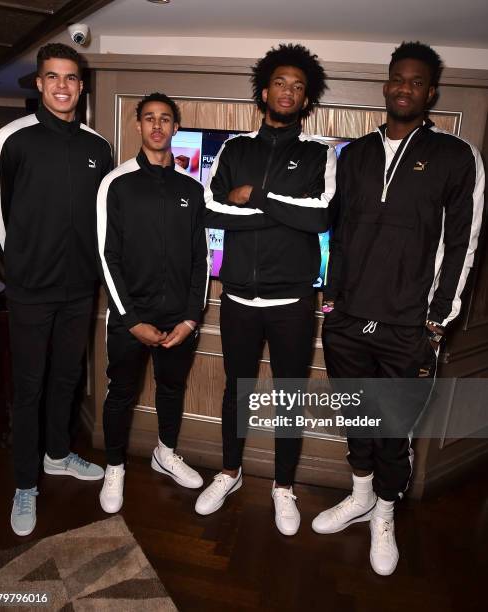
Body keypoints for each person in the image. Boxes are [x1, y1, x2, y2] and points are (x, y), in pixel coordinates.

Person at [314, 42, 485, 575]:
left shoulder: (457, 157)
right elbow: (339, 234)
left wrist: (438, 318)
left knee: (393, 429)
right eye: (397, 79)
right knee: (354, 416)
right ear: (386, 85)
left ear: (430, 92)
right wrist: (333, 293)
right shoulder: (354, 153)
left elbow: (464, 242)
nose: (404, 88)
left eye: (416, 82)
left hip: (409, 325)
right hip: (348, 320)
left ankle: (384, 513)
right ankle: (361, 494)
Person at [196, 44, 336, 536]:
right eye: (281, 82)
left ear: (307, 98)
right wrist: (282, 213)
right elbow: (211, 211)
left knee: (289, 397)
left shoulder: (320, 154)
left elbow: (319, 217)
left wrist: (255, 198)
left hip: (293, 302)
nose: (288, 91)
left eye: (298, 86)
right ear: (264, 91)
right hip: (236, 297)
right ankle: (230, 472)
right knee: (237, 390)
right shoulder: (234, 149)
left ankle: (282, 487)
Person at [0, 43, 113, 536]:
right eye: (53, 77)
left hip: (79, 289)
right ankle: (24, 483)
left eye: (71, 78)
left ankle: (58, 455)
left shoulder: (97, 147)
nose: (62, 85)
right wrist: (17, 268)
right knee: (30, 387)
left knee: (66, 379)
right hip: (30, 290)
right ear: (38, 83)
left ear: (81, 86)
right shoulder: (11, 139)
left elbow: (102, 220)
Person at [96, 93, 208, 513]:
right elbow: (107, 256)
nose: (157, 126)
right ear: (138, 126)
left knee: (172, 389)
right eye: (149, 119)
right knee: (121, 393)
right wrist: (130, 319)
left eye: (165, 119)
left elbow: (201, 260)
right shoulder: (117, 183)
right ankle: (114, 467)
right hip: (131, 317)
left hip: (178, 319)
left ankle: (166, 452)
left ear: (175, 128)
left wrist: (191, 319)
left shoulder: (191, 189)